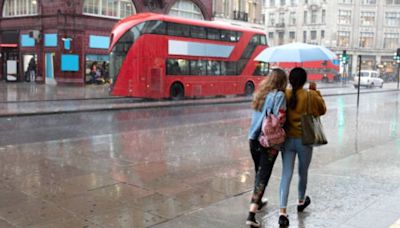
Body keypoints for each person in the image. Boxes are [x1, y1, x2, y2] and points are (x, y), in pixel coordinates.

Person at [278, 67, 326, 226]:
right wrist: (316, 91)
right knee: (302, 172)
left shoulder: (285, 93)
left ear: (290, 80)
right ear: (304, 80)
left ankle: (282, 212)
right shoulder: (310, 95)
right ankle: (300, 201)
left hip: (287, 140)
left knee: (286, 174)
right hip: (305, 140)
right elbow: (322, 110)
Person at [246, 68, 288, 227]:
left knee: (259, 173)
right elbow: (280, 118)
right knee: (263, 176)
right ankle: (251, 215)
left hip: (253, 139)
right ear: (282, 81)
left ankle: (259, 200)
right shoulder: (279, 95)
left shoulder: (260, 94)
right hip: (268, 141)